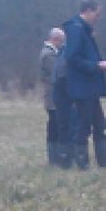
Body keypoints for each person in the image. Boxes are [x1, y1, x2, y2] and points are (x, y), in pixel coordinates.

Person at [63, 0, 106, 169]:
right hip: (82, 88)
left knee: (100, 124)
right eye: (96, 13)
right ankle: (82, 164)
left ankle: (104, 162)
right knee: (83, 126)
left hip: (91, 88)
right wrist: (95, 66)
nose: (97, 18)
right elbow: (72, 58)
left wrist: (101, 63)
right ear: (87, 11)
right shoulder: (75, 30)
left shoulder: (85, 30)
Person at [39, 28, 66, 166]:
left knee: (55, 126)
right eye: (61, 41)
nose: (62, 44)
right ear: (55, 39)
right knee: (55, 127)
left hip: (54, 96)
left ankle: (56, 157)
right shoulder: (48, 55)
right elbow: (58, 72)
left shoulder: (51, 53)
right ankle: (55, 158)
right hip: (52, 97)